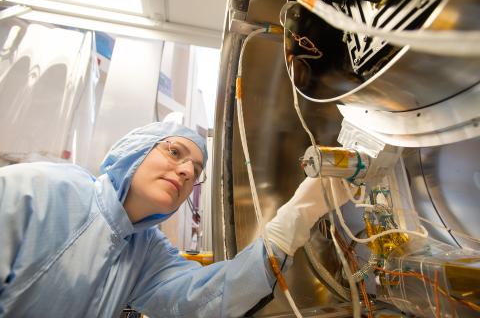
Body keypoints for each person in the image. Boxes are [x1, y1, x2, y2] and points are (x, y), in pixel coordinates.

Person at [0, 122, 350, 317]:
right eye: (174, 152)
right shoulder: (48, 188)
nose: (185, 170)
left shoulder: (145, 252)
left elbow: (205, 299)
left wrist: (298, 215)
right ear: (135, 150)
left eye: (196, 170)